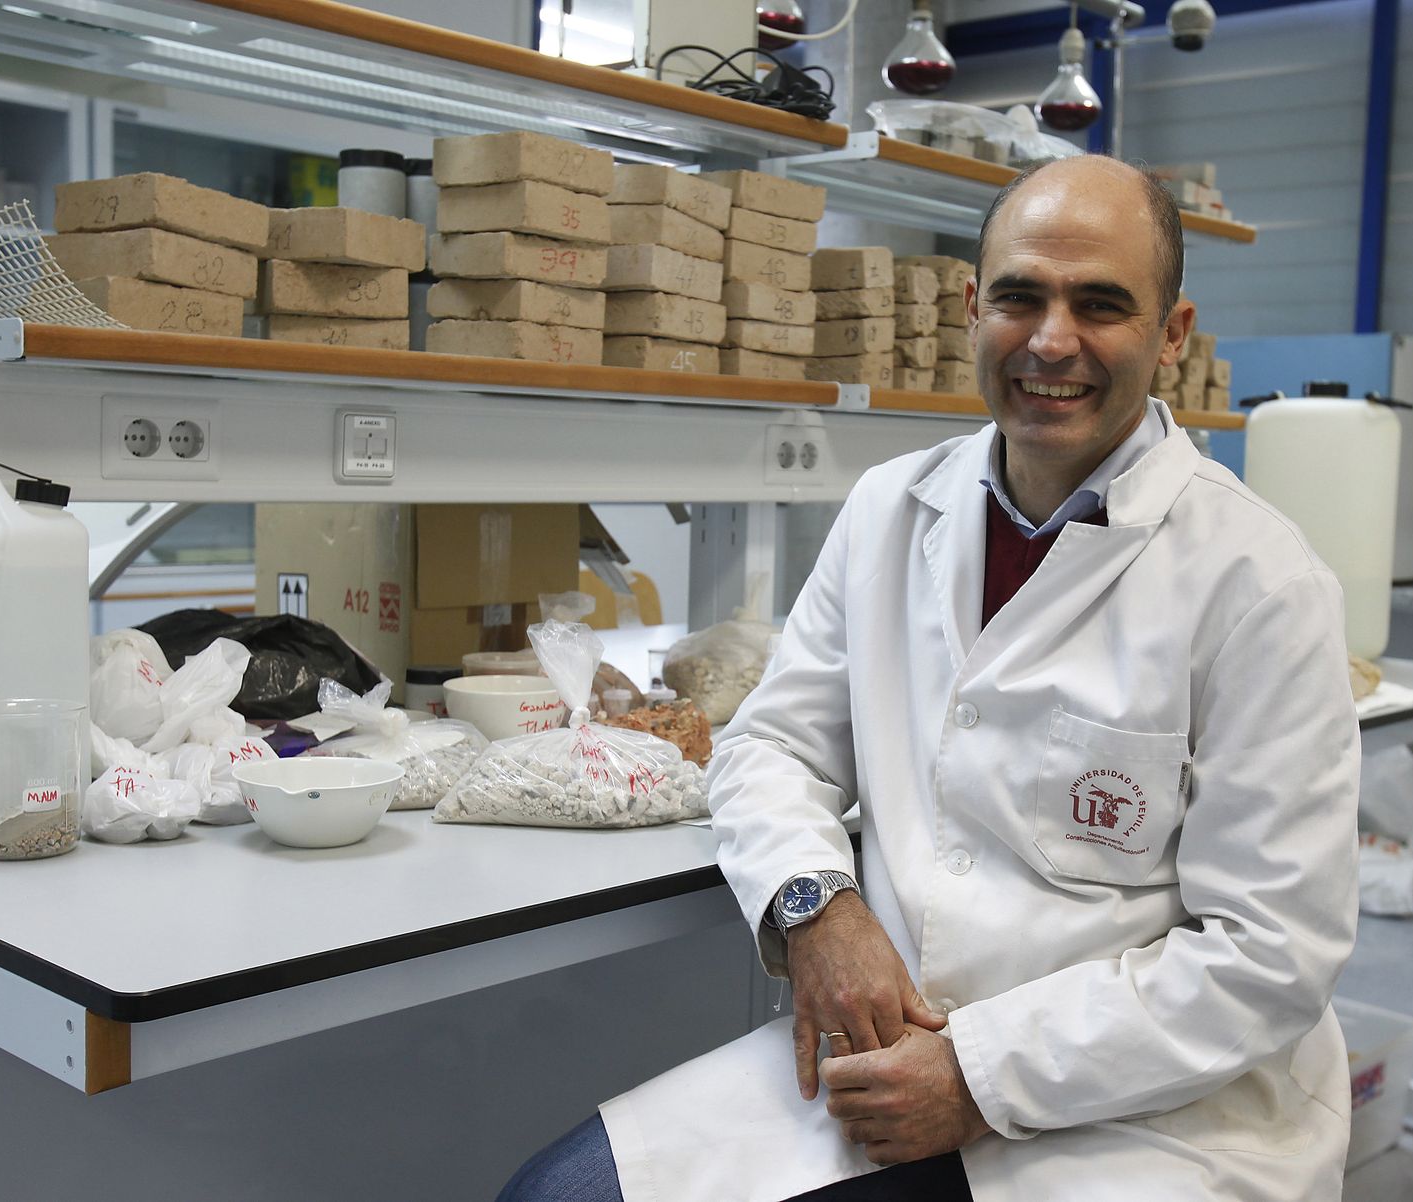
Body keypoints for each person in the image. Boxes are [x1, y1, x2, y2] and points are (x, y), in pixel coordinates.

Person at [496, 154, 1360, 1202]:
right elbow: (773, 744)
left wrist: (978, 1070)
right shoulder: (890, 509)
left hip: (1149, 1109)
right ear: (970, 308)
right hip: (880, 1046)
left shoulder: (1257, 582)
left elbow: (1267, 953)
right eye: (1020, 296)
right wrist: (818, 905)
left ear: (1171, 333)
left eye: (1100, 305)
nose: (1051, 340)